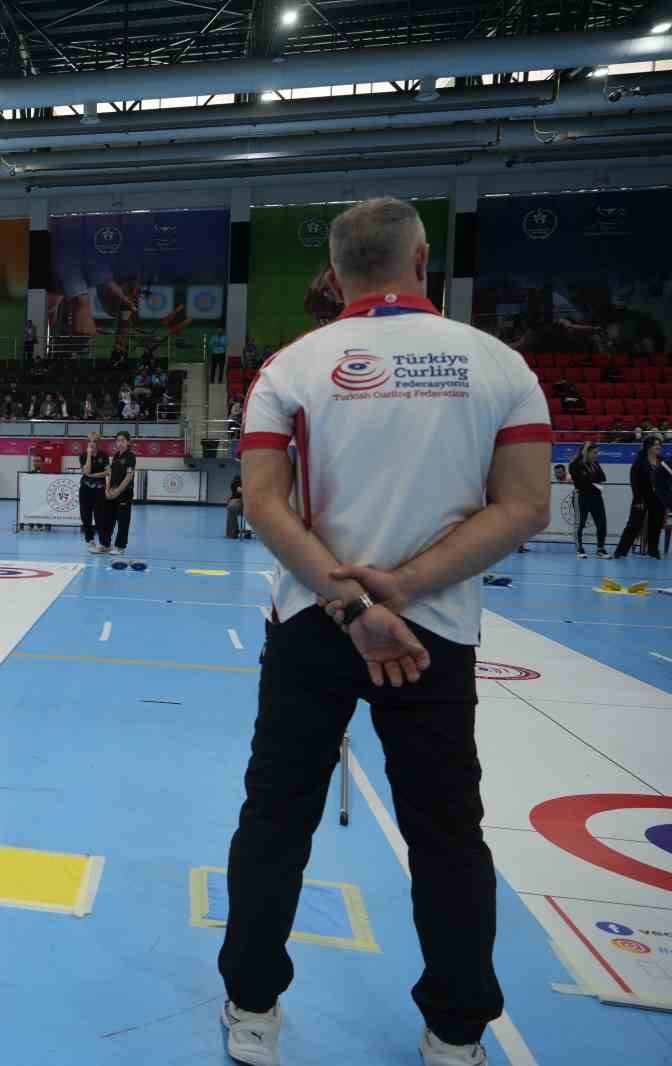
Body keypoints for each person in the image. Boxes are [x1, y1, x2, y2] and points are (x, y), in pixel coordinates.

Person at [222, 198, 551, 1066]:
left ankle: (252, 1007)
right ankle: (455, 1029)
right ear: (421, 255)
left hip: (312, 624)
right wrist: (398, 593)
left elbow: (263, 503)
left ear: (332, 276)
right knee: (447, 833)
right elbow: (524, 505)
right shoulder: (500, 365)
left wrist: (353, 606)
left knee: (276, 820)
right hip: (432, 632)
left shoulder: (290, 366)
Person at [614, 437, 662, 559]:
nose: (659, 447)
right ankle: (621, 551)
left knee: (655, 525)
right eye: (656, 445)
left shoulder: (662, 461)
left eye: (659, 445)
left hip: (658, 498)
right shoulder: (640, 461)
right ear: (649, 446)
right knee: (634, 525)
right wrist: (637, 499)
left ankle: (653, 551)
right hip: (642, 497)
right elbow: (634, 482)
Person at [93, 431, 136, 555]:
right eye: (118, 440)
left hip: (124, 494)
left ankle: (120, 547)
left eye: (123, 440)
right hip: (111, 493)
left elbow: (129, 476)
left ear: (128, 442)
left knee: (123, 521)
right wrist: (107, 488)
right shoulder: (116, 456)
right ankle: (105, 544)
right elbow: (111, 474)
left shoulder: (130, 456)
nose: (120, 443)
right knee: (107, 520)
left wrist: (118, 491)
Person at [79, 431, 109, 549]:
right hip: (86, 490)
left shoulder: (104, 455)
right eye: (90, 441)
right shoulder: (83, 455)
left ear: (99, 443)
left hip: (99, 490)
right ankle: (90, 540)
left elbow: (108, 472)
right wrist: (89, 455)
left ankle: (103, 542)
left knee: (100, 517)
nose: (92, 444)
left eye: (94, 441)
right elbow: (86, 471)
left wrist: (94, 476)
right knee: (85, 516)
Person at [225, 473, 245, 538]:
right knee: (232, 507)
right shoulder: (238, 477)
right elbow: (236, 488)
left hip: (254, 500)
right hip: (239, 500)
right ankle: (232, 533)